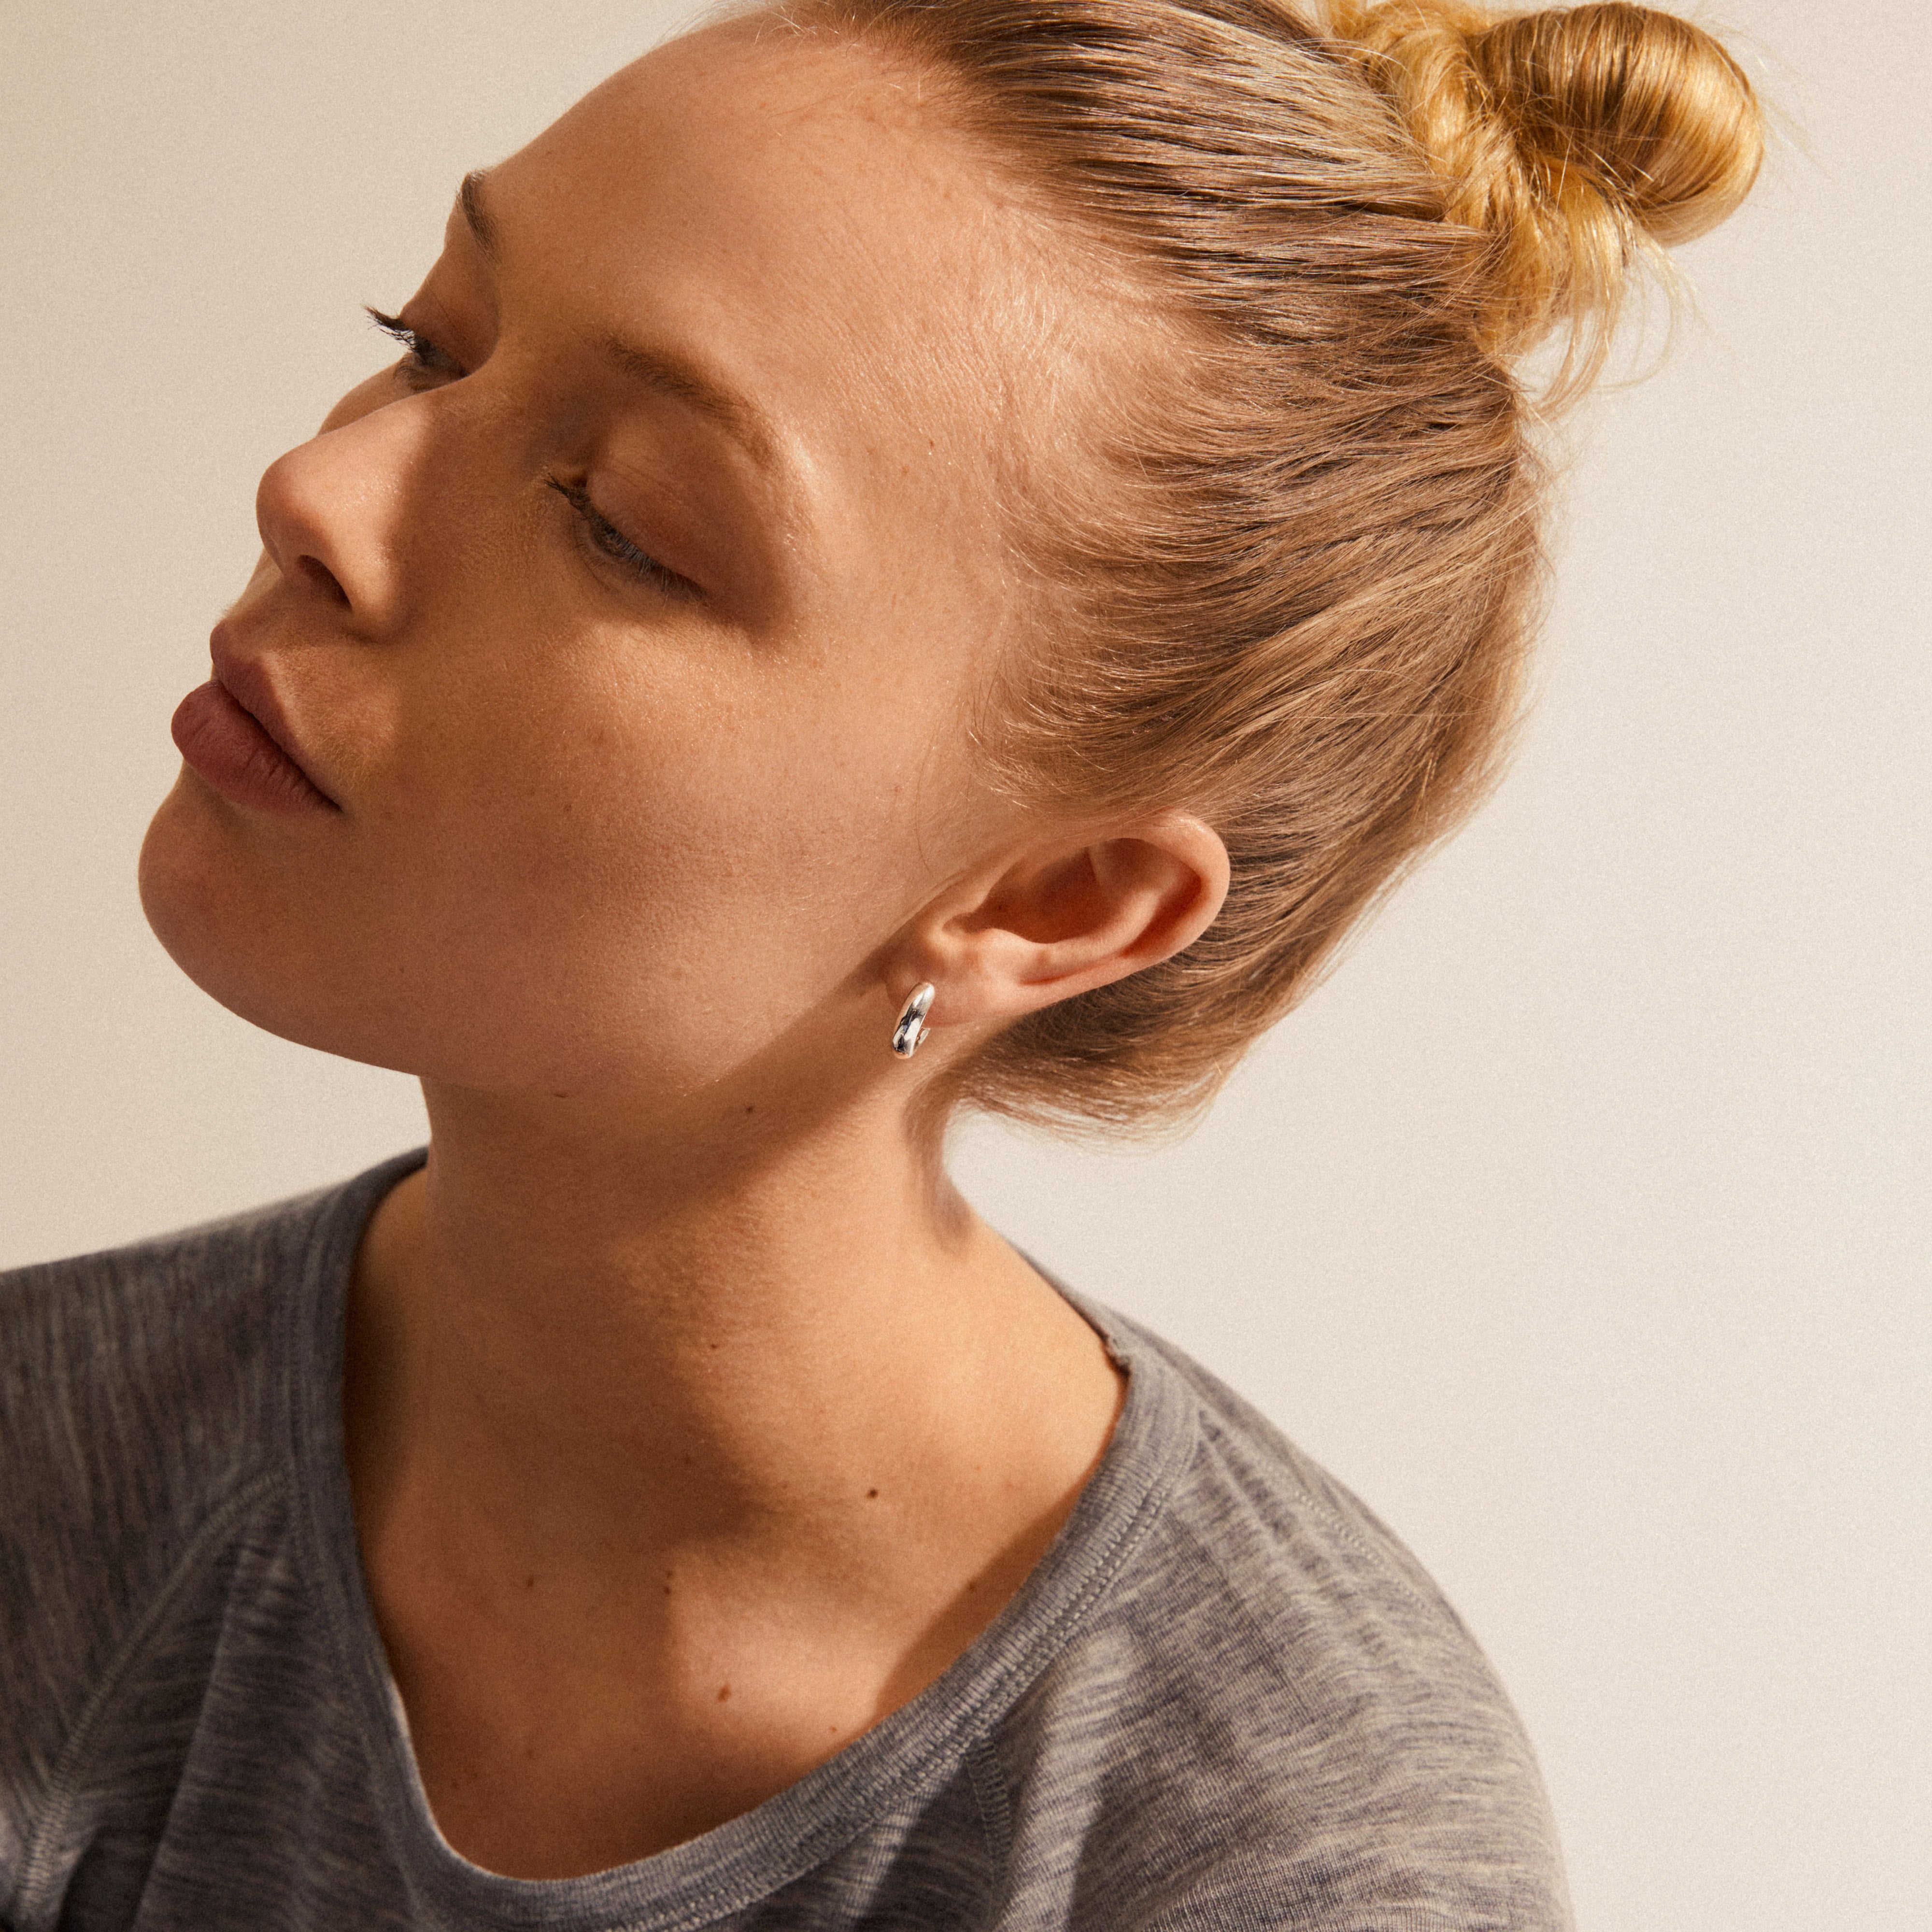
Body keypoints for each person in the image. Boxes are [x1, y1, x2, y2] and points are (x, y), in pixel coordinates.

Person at [0, 0, 1762, 1925]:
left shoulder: (1272, 1841)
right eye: (432, 341)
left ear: (1057, 899)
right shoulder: (45, 1493)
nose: (317, 495)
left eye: (622, 524)